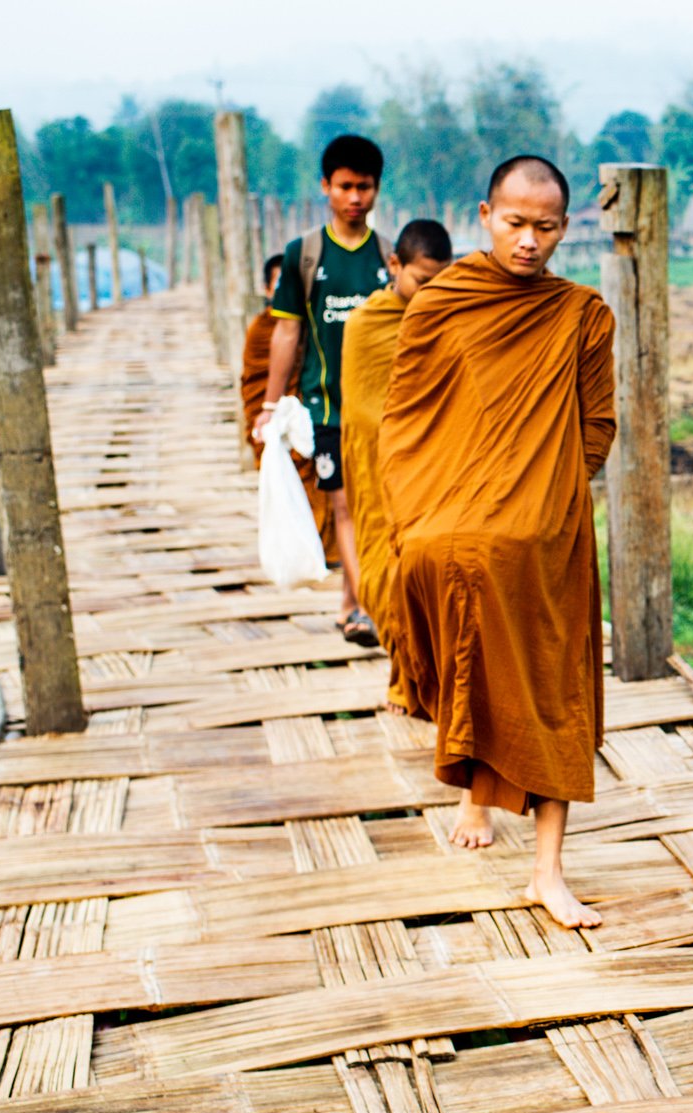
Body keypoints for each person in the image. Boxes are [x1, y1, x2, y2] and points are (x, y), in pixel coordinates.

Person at [379, 156, 611, 930]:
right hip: (459, 509)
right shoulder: (444, 302)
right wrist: (441, 500)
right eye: (515, 224)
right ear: (485, 215)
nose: (529, 242)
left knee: (553, 686)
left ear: (565, 228)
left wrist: (543, 497)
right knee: (449, 583)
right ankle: (478, 788)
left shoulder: (581, 313)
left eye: (545, 228)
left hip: (546, 523)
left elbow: (595, 427)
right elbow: (412, 412)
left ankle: (548, 870)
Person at [254, 133, 395, 646]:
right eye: (345, 187)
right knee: (344, 508)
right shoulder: (304, 255)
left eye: (365, 187)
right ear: (325, 187)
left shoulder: (389, 256)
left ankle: (350, 604)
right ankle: (372, 610)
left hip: (381, 410)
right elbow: (287, 330)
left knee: (377, 507)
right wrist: (271, 405)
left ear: (378, 189)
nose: (355, 198)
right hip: (327, 409)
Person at [340, 218, 451, 714]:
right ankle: (406, 681)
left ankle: (437, 684)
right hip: (378, 469)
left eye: (441, 281)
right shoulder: (367, 323)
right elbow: (363, 409)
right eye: (422, 282)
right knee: (385, 580)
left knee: (432, 578)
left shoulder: (450, 316)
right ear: (394, 266)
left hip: (435, 470)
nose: (431, 292)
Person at [241, 253, 336, 560]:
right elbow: (256, 380)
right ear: (268, 291)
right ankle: (299, 549)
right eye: (279, 286)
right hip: (277, 414)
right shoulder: (263, 330)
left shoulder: (314, 324)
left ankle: (324, 547)